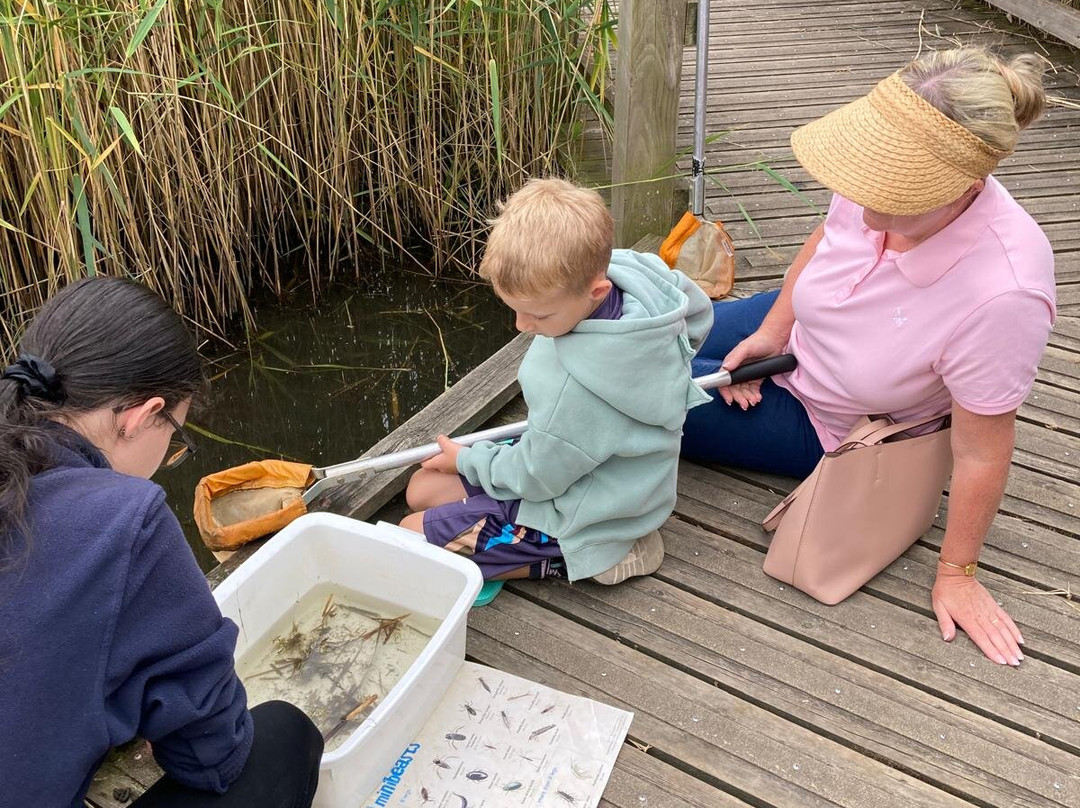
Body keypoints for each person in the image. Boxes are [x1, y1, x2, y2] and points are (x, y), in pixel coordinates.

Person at [682, 47, 1055, 668]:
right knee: (637, 337)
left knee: (634, 393)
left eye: (893, 195)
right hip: (802, 323)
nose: (862, 204)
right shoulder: (876, 185)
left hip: (834, 418)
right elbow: (825, 241)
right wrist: (773, 331)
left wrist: (958, 572)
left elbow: (982, 450)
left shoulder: (1003, 295)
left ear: (967, 186)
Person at [0, 278, 323, 807]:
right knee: (285, 737)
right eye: (175, 432)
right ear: (140, 416)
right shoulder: (125, 519)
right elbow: (212, 755)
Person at [401, 178, 714, 585]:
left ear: (595, 291)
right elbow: (699, 312)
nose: (521, 325)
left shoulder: (578, 392)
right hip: (596, 470)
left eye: (539, 315)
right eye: (513, 309)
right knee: (420, 489)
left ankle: (587, 557)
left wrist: (466, 460)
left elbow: (537, 478)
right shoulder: (633, 271)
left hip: (582, 512)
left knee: (409, 536)